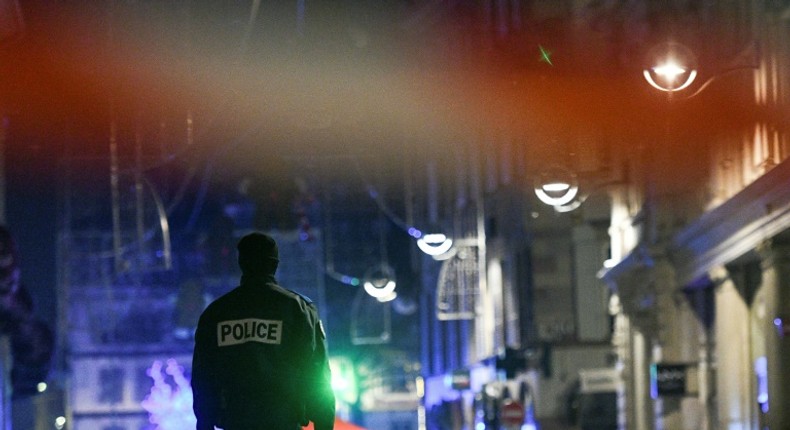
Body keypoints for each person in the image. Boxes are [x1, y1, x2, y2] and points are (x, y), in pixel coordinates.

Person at [192, 232, 335, 430]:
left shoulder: (215, 313)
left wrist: (204, 425)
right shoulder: (298, 309)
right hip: (284, 423)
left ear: (241, 262)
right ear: (274, 264)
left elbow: (203, 379)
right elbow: (317, 375)